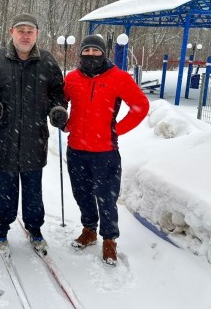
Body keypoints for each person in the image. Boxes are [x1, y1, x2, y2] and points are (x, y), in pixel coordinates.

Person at [0, 13, 68, 256]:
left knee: (33, 189)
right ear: (11, 32)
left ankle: (35, 229)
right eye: (20, 30)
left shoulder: (46, 61)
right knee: (4, 188)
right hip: (5, 137)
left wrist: (57, 110)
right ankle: (1, 230)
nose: (25, 35)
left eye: (30, 31)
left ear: (37, 34)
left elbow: (58, 93)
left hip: (35, 139)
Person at [64, 34, 149, 266]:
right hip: (76, 149)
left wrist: (116, 130)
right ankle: (89, 229)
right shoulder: (71, 78)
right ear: (81, 53)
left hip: (105, 152)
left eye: (96, 51)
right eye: (87, 51)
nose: (91, 55)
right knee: (81, 194)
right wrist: (63, 122)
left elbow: (141, 106)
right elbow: (60, 103)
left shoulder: (118, 78)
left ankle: (109, 239)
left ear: (104, 53)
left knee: (106, 198)